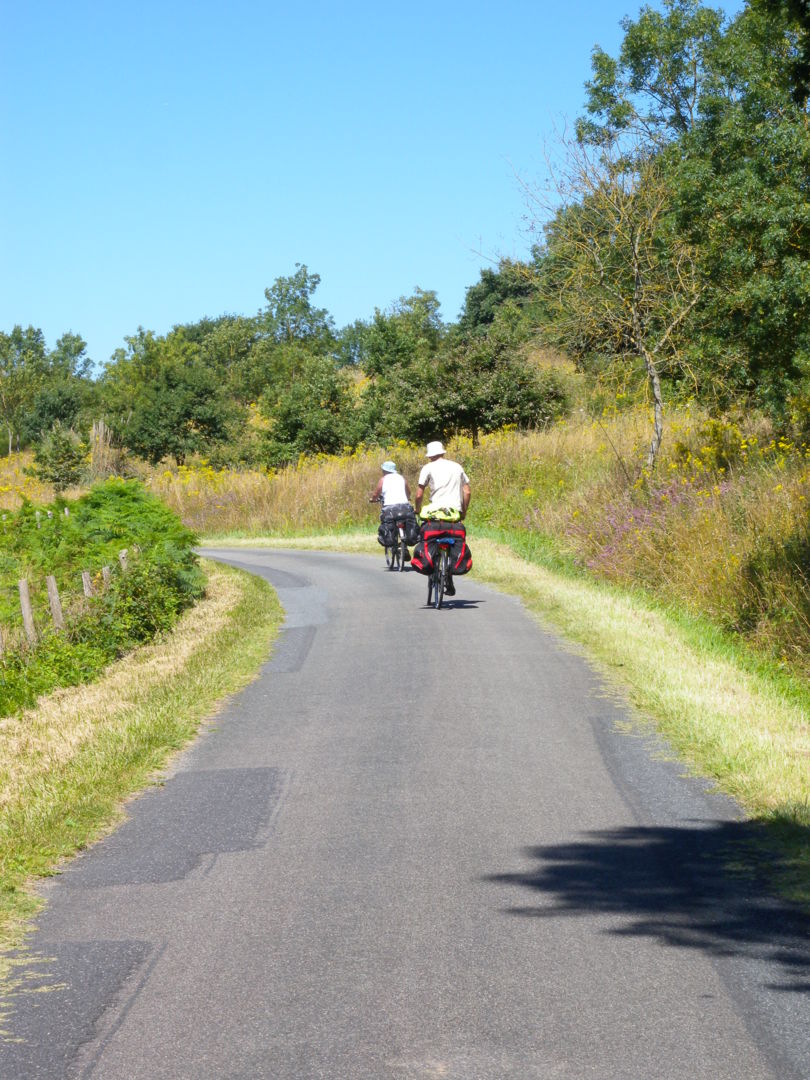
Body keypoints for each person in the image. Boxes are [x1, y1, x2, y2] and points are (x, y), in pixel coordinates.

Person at [414, 441, 471, 595]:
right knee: (453, 543)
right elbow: (467, 492)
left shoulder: (428, 468)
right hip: (453, 514)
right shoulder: (457, 467)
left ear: (430, 455)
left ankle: (433, 568)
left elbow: (419, 494)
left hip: (434, 515)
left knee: (427, 537)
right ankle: (449, 576)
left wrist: (417, 510)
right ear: (443, 452)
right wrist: (463, 511)